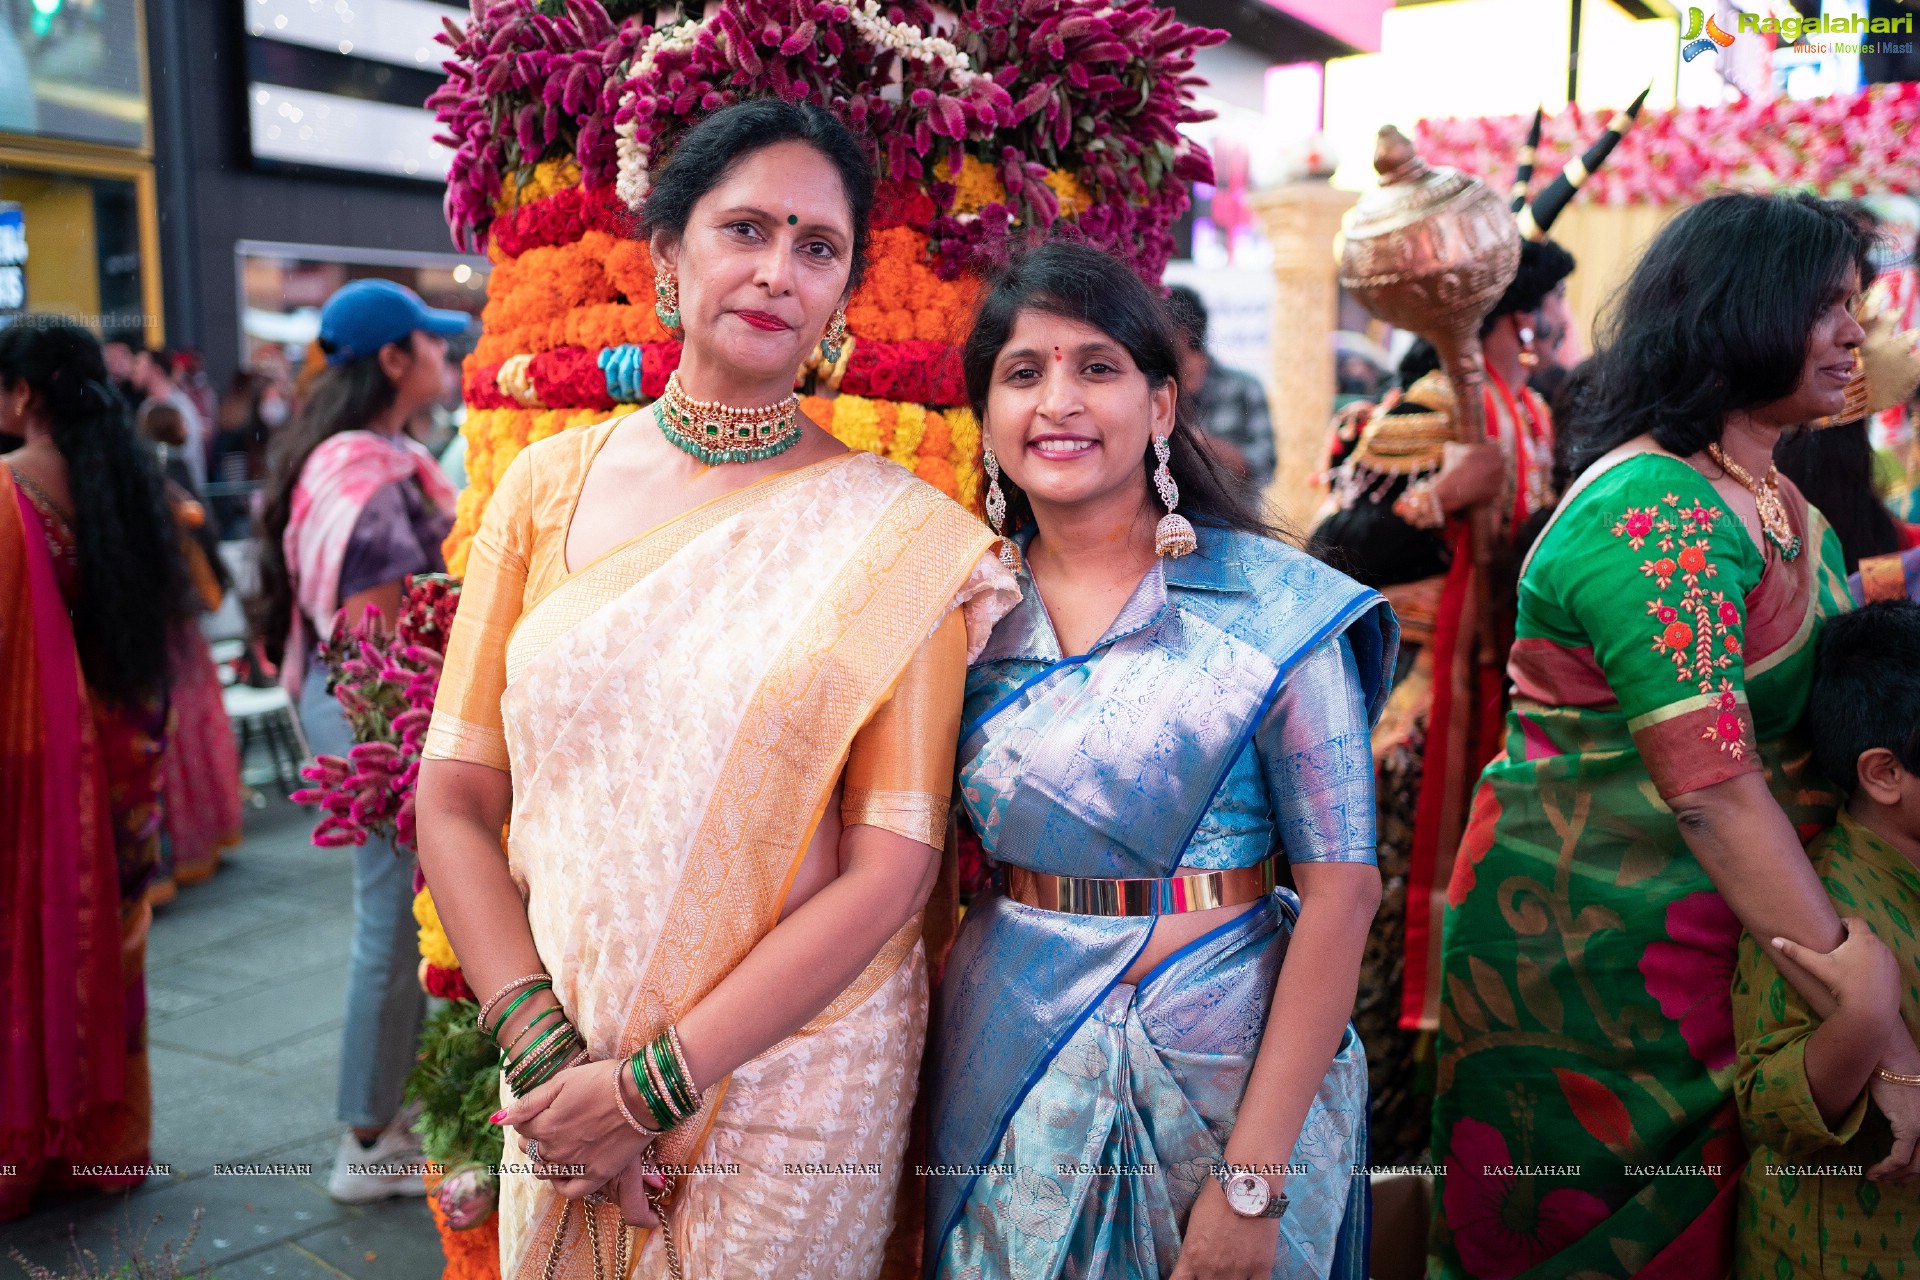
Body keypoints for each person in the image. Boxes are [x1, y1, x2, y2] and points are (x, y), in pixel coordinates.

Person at [416, 99, 1016, 1280]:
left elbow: (891, 865)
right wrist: (550, 1060)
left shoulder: (905, 539)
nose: (777, 270)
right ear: (670, 262)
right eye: (745, 229)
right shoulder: (545, 489)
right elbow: (454, 795)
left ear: (843, 291)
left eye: (817, 246)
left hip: (798, 1073)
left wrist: (652, 1083)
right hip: (565, 1046)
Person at [1429, 192, 1920, 1279]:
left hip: (1738, 935)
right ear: (1740, 313)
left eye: (1858, 304)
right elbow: (1717, 790)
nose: (1856, 333)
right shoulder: (1657, 512)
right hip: (1599, 967)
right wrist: (1875, 1024)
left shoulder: (1780, 498)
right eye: (1828, 306)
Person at [924, 242, 1395, 1279]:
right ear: (989, 419)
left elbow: (1344, 891)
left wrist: (1253, 1178)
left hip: (1229, 1077)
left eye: (1097, 367)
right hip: (1010, 1064)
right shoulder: (956, 618)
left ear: (1163, 407)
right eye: (1023, 372)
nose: (1059, 400)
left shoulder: (1278, 609)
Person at [1306, 101, 1644, 1166]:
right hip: (1418, 707)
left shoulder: (1532, 411)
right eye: (1542, 310)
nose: (1549, 330)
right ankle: (1371, 1146)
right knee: (1386, 923)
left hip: (1502, 699)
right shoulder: (1423, 403)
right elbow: (1336, 547)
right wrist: (1438, 503)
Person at [254, 277, 468, 1202]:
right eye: (432, 344)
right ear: (392, 359)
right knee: (387, 922)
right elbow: (375, 637)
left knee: (386, 917)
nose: (446, 358)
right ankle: (367, 1136)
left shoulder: (358, 456)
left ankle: (377, 1111)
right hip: (373, 711)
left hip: (348, 702)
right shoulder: (372, 474)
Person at [0, 319, 187, 1220]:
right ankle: (103, 1142)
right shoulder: (131, 481)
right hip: (122, 751)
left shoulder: (7, 493)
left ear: (25, 393)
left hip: (32, 762)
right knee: (110, 944)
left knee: (27, 943)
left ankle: (27, 1147)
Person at [1732, 600, 1920, 1278]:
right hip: (1839, 1250)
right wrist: (1866, 1018)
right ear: (1885, 773)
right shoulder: (1820, 907)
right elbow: (1768, 1104)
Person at [1164, 284, 1275, 490]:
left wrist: (1201, 444)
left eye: (1158, 330)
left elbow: (1265, 466)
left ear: (1182, 336)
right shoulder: (1152, 390)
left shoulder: (1244, 388)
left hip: (1230, 519)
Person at [133, 346, 211, 491]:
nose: (134, 369)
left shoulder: (180, 406)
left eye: (139, 364)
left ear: (156, 371)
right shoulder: (146, 407)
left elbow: (188, 450)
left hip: (182, 490)